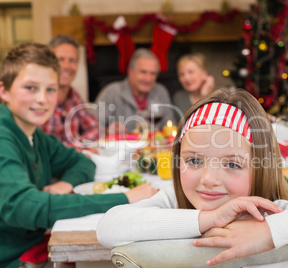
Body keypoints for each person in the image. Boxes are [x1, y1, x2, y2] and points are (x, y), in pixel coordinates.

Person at [97, 88, 288, 267]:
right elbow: (108, 227)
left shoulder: (274, 211)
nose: (209, 179)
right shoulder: (174, 204)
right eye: (194, 160)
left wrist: (269, 232)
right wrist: (206, 220)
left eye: (232, 164)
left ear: (260, 167)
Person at [0, 43, 158, 268]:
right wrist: (124, 199)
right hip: (13, 259)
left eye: (50, 89)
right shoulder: (4, 137)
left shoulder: (35, 135)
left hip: (36, 248)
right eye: (30, 88)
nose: (42, 99)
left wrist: (65, 183)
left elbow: (82, 162)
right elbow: (24, 207)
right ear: (4, 90)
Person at [40, 34, 101, 150]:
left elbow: (95, 128)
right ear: (48, 63)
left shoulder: (73, 95)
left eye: (72, 60)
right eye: (60, 59)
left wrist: (78, 145)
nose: (67, 66)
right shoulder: (40, 98)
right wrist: (72, 150)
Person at [96, 48, 175, 134]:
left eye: (153, 73)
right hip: (120, 146)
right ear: (130, 72)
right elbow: (94, 128)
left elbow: (171, 128)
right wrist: (107, 131)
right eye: (143, 72)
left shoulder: (161, 92)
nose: (148, 79)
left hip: (154, 146)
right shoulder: (111, 92)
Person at [173, 53, 215, 118]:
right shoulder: (179, 97)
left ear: (204, 73)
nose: (186, 78)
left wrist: (205, 95)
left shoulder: (220, 95)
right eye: (181, 74)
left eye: (191, 72)